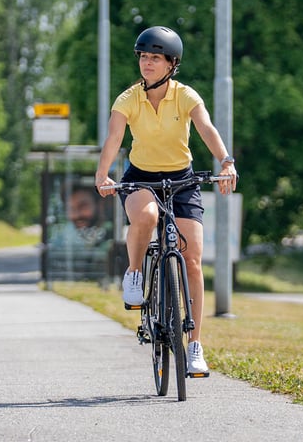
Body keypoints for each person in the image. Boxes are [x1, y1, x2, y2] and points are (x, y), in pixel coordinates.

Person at [95, 26, 237, 374]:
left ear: (172, 64)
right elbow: (114, 138)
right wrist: (103, 174)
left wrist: (226, 160)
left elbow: (206, 128)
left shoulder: (186, 96)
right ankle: (134, 273)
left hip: (182, 180)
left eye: (155, 58)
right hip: (140, 177)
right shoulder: (128, 99)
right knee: (145, 218)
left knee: (192, 259)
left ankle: (195, 346)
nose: (147, 63)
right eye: (143, 57)